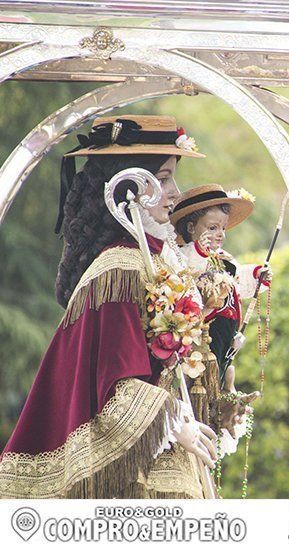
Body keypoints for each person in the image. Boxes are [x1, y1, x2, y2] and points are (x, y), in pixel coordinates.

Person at [0, 115, 219, 499]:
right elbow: (115, 379)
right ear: (132, 187)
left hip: (166, 455)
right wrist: (173, 423)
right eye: (164, 178)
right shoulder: (119, 267)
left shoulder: (156, 260)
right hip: (139, 466)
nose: (174, 192)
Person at [170, 185, 270, 450]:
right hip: (201, 339)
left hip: (224, 339)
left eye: (222, 228)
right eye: (212, 227)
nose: (220, 235)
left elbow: (237, 279)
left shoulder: (223, 261)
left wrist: (257, 274)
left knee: (224, 374)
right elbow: (189, 278)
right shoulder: (184, 257)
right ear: (191, 228)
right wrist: (203, 256)